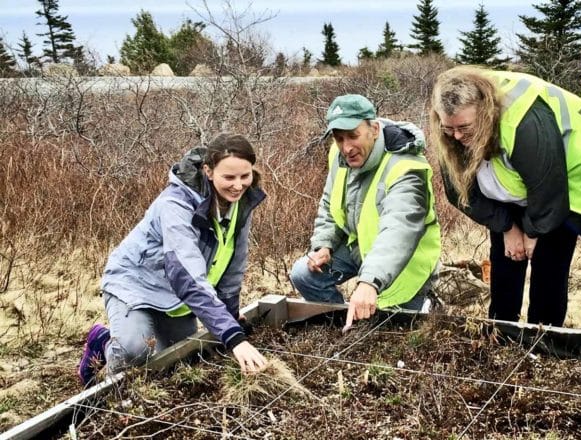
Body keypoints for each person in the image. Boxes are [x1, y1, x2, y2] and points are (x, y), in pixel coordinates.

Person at [77, 132, 268, 386]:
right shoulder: (176, 205)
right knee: (137, 353)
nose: (238, 185)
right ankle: (104, 348)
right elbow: (186, 274)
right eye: (229, 177)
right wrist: (234, 339)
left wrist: (230, 314)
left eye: (245, 176)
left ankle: (124, 338)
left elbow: (232, 265)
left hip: (175, 297)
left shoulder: (240, 202)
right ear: (208, 171)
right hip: (136, 286)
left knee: (179, 361)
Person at [430, 66, 581, 327]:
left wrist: (534, 232)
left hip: (567, 180)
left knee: (548, 266)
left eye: (464, 127)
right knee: (506, 259)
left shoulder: (524, 122)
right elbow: (460, 193)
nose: (456, 136)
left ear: (485, 110)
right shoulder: (449, 127)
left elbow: (548, 186)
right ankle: (501, 333)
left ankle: (542, 342)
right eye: (449, 128)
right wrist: (507, 227)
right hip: (514, 184)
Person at [289, 94, 441, 328]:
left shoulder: (408, 168)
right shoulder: (338, 155)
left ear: (375, 129)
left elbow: (399, 232)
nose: (346, 147)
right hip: (358, 248)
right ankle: (343, 323)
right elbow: (330, 203)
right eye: (339, 138)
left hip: (403, 263)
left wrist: (369, 282)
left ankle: (425, 301)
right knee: (304, 274)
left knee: (395, 330)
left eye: (353, 136)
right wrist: (324, 245)